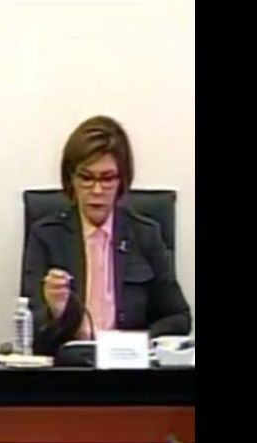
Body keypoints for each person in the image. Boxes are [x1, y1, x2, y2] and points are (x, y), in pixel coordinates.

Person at [22, 115, 191, 356]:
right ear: (71, 179)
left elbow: (179, 318)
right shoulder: (46, 235)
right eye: (86, 178)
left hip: (129, 365)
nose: (97, 190)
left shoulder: (145, 234)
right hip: (70, 366)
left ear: (122, 180)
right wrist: (56, 312)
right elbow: (31, 331)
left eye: (108, 178)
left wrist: (138, 343)